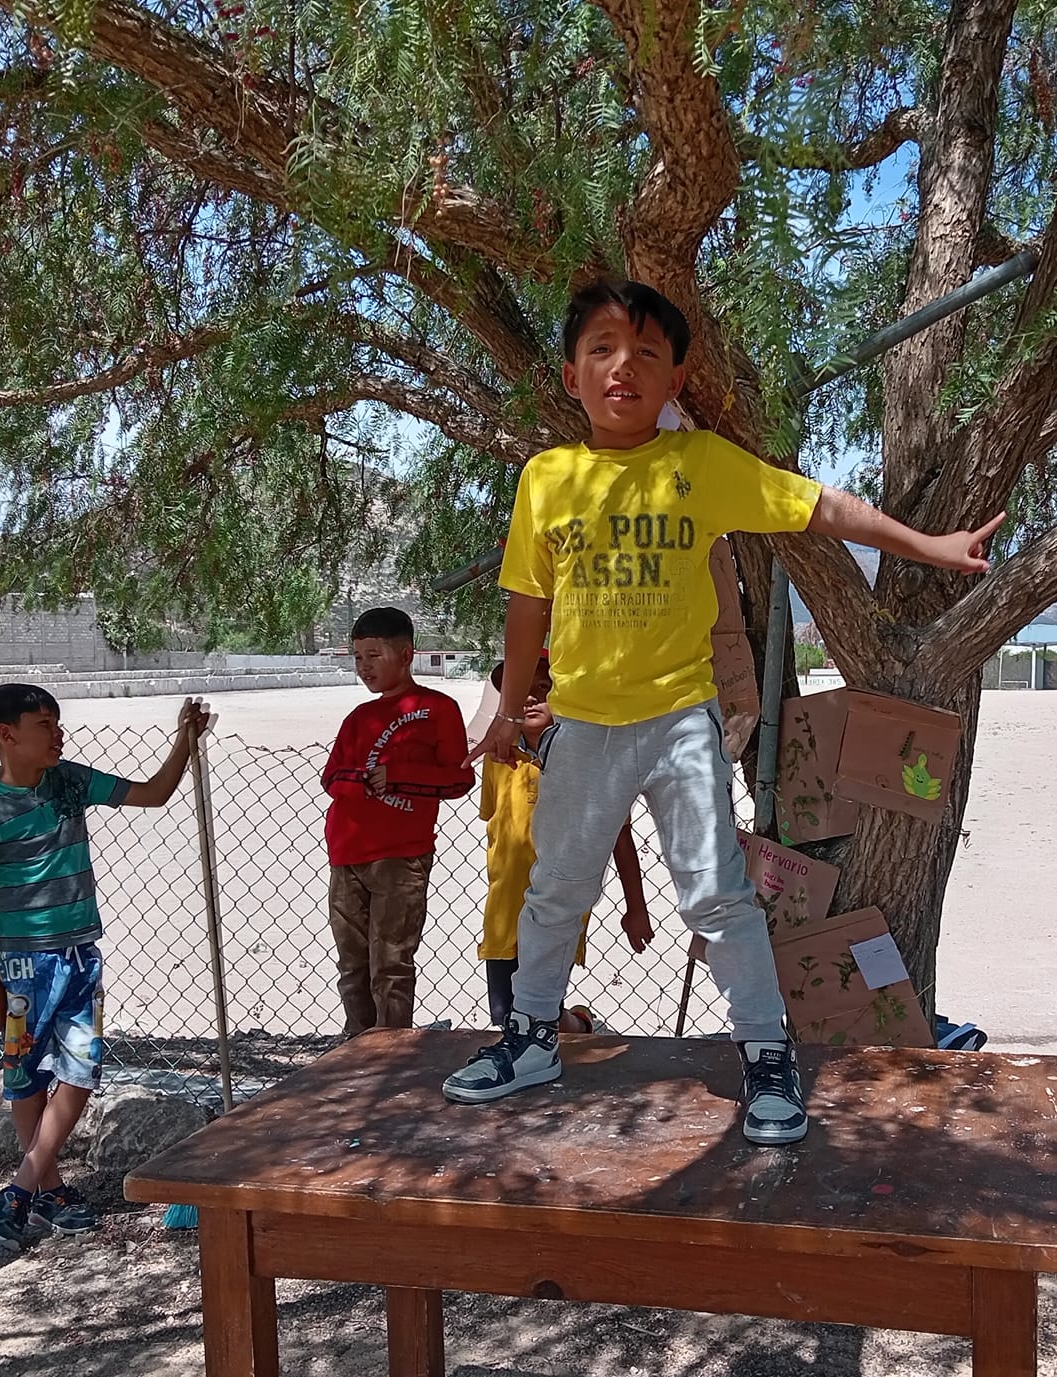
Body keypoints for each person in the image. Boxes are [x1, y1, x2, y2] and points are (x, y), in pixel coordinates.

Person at [444, 278, 1004, 1144]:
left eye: (646, 355)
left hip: (677, 721)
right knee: (553, 894)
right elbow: (527, 606)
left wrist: (927, 544)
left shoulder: (697, 465)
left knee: (720, 898)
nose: (622, 367)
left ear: (674, 382)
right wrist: (508, 713)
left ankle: (767, 1057)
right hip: (582, 727)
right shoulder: (546, 480)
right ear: (570, 376)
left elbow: (818, 506)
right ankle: (529, 1040)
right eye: (601, 349)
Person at [0, 684, 212, 1250]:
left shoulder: (70, 780)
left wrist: (183, 742)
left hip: (79, 955)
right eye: (44, 723)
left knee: (80, 1071)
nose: (57, 732)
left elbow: (153, 794)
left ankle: (21, 1190)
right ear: (7, 735)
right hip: (21, 964)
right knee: (26, 1074)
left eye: (57, 722)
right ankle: (46, 1188)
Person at [322, 607, 476, 1036]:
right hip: (347, 854)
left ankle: (388, 1051)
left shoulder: (438, 709)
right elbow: (332, 777)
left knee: (390, 964)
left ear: (406, 654)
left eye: (373, 655)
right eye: (357, 657)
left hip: (401, 857)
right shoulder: (358, 718)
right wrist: (362, 783)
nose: (364, 667)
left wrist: (402, 777)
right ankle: (357, 1045)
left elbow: (459, 777)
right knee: (352, 964)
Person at [479, 655, 653, 1030]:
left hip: (558, 910)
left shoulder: (588, 761)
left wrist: (635, 907)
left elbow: (620, 835)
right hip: (505, 910)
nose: (529, 700)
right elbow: (496, 828)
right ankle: (561, 1036)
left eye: (542, 689)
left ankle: (579, 1027)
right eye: (519, 691)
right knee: (508, 1018)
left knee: (541, 1014)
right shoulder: (497, 758)